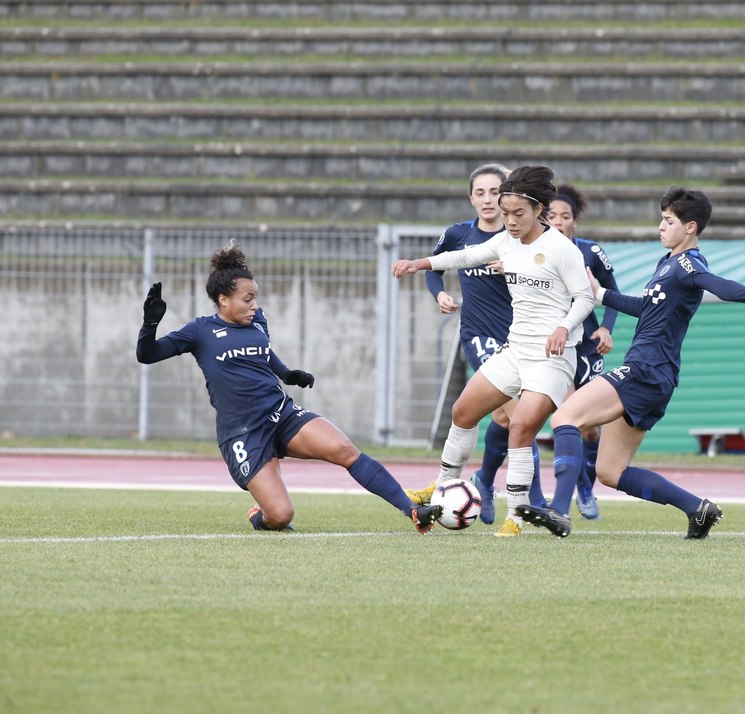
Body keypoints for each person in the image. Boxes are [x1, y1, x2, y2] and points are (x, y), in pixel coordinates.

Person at [516, 187, 745, 540]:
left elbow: (714, 284)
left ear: (690, 227)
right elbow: (646, 308)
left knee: (565, 416)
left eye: (668, 220)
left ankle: (558, 510)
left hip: (644, 370)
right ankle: (697, 508)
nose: (660, 225)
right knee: (610, 471)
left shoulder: (688, 263)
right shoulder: (668, 264)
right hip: (657, 377)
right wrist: (600, 295)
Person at [136, 241, 442, 533]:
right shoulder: (199, 331)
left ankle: (412, 510)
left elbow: (264, 353)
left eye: (255, 297)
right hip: (243, 433)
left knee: (345, 450)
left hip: (281, 414)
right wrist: (150, 324)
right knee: (281, 516)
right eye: (247, 299)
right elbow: (147, 356)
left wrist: (287, 374)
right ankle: (261, 517)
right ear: (223, 300)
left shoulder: (257, 322)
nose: (254, 305)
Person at [392, 165, 595, 537]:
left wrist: (564, 327)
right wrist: (420, 264)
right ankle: (441, 491)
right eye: (506, 214)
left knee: (519, 426)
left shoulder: (561, 249)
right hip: (515, 350)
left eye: (519, 214)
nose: (511, 221)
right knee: (463, 411)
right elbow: (463, 257)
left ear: (539, 210)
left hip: (552, 359)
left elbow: (584, 297)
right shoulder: (505, 241)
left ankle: (515, 518)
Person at [409, 163, 547, 524]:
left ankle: (483, 481)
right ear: (471, 197)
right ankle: (535, 501)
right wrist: (439, 295)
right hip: (478, 335)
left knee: (504, 417)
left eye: (494, 192)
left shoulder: (519, 237)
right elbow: (435, 268)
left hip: (519, 338)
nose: (487, 199)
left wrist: (514, 270)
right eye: (480, 192)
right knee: (512, 414)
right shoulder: (458, 234)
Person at [545, 184, 620, 520]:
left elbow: (611, 293)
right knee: (568, 419)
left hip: (588, 347)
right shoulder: (534, 253)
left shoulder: (591, 252)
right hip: (556, 348)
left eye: (565, 216)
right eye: (552, 216)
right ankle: (569, 493)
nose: (558, 222)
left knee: (591, 428)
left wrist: (606, 328)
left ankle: (585, 485)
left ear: (574, 222)